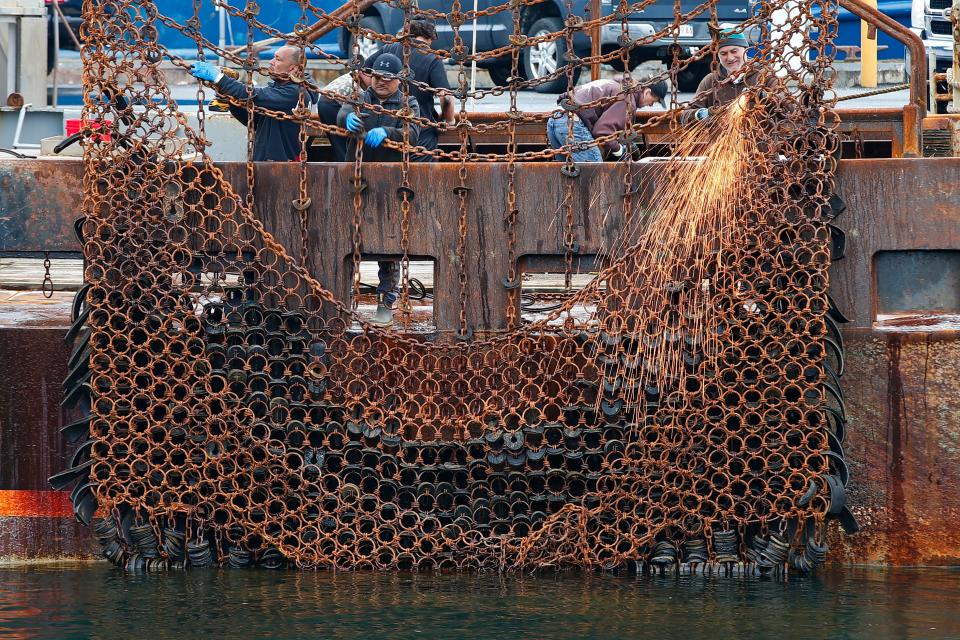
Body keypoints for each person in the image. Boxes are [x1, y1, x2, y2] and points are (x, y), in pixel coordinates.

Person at [336, 53, 421, 327]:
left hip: (389, 182)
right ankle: (341, 297)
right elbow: (342, 112)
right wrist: (347, 117)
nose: (380, 82)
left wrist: (388, 131)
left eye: (386, 78)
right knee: (349, 239)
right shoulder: (362, 98)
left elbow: (414, 133)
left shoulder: (408, 104)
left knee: (388, 243)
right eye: (375, 77)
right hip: (357, 177)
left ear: (398, 79)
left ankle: (386, 301)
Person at [189, 45, 317, 161]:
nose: (271, 62)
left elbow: (252, 95)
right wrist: (231, 100)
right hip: (270, 163)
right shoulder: (281, 90)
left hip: (282, 166)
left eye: (278, 59)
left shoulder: (295, 93)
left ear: (293, 68)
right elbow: (255, 121)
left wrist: (219, 78)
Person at [364, 19, 454, 162]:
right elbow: (446, 97)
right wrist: (447, 120)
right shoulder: (432, 58)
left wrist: (376, 92)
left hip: (387, 125)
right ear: (430, 38)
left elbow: (363, 70)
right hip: (420, 133)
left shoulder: (390, 48)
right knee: (423, 176)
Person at [546, 78, 668, 162]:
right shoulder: (627, 99)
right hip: (572, 124)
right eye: (654, 101)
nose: (651, 105)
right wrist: (620, 150)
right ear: (647, 92)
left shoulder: (614, 85)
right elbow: (603, 132)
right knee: (595, 172)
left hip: (555, 118)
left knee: (569, 173)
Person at [681, 30, 770, 124]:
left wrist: (764, 96)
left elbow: (784, 104)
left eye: (734, 51)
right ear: (718, 55)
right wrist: (704, 114)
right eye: (723, 54)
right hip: (721, 138)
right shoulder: (711, 80)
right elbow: (685, 115)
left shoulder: (764, 76)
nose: (730, 58)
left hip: (757, 138)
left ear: (745, 50)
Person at [317, 57, 372, 161]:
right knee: (345, 143)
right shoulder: (357, 85)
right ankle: (346, 164)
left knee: (339, 143)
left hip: (326, 101)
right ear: (361, 73)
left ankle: (342, 161)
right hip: (332, 104)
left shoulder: (354, 77)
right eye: (372, 76)